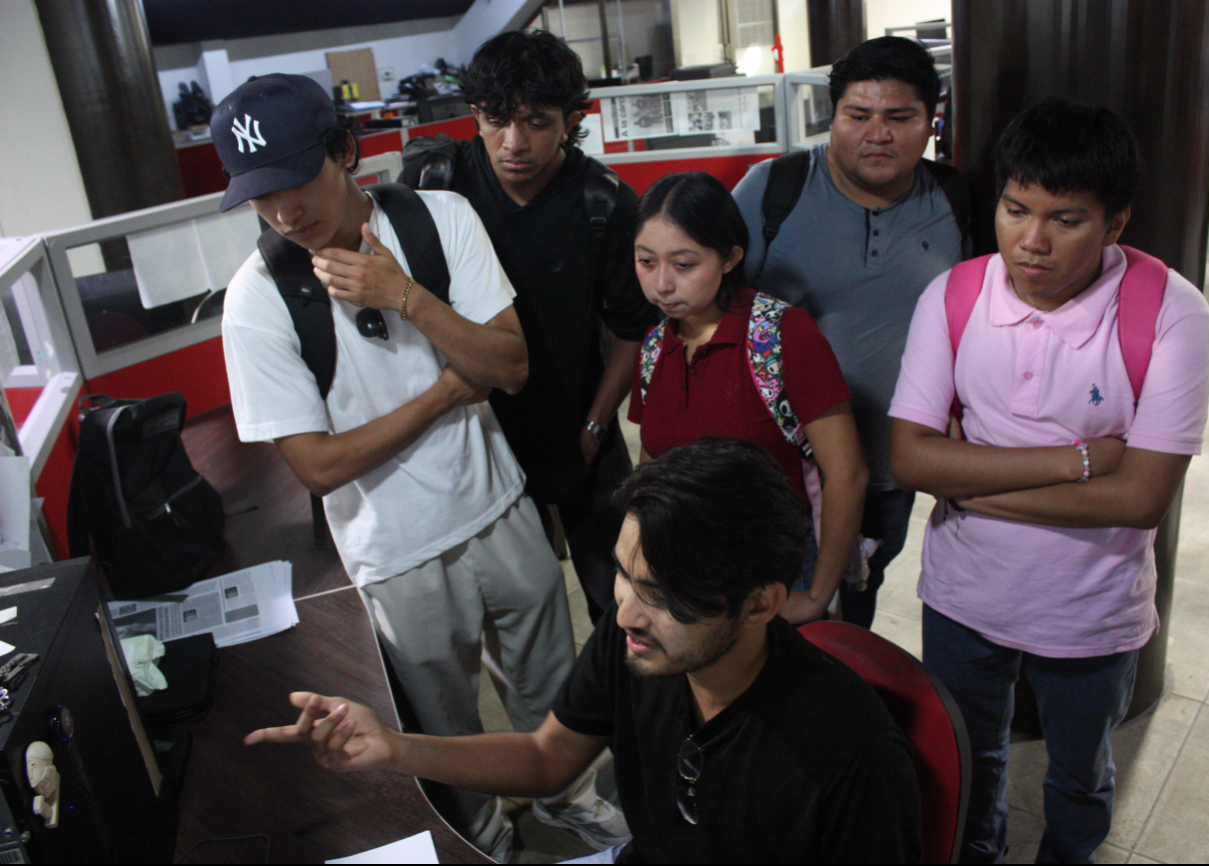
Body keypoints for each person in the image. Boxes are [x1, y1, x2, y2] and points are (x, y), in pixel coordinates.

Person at [212, 74, 623, 861]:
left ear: (344, 151)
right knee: (440, 725)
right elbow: (319, 466)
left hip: (499, 506)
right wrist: (442, 393)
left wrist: (404, 296)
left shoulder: (440, 220)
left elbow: (507, 364)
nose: (283, 211)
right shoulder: (259, 300)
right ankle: (482, 837)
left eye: (296, 181)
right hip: (393, 552)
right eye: (260, 197)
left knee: (552, 685)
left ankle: (572, 802)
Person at [246, 438, 923, 864]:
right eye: (624, 575)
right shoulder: (638, 646)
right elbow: (546, 758)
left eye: (659, 595)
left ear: (760, 604)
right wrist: (396, 748)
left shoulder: (847, 756)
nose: (623, 610)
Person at [888, 98, 1209, 863]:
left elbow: (1138, 501)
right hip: (963, 595)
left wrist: (967, 480)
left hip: (1090, 607)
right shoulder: (955, 295)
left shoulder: (1169, 315)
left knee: (1079, 775)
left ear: (1115, 224)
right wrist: (1076, 460)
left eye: (1064, 220)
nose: (1029, 242)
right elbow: (909, 458)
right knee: (970, 761)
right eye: (1013, 209)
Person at [405, 30, 660, 626]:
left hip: (575, 424)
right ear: (475, 115)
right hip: (471, 433)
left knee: (624, 599)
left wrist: (597, 426)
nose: (513, 142)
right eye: (496, 120)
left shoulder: (606, 203)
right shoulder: (434, 185)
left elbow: (630, 330)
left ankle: (626, 713)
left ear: (573, 119)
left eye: (537, 122)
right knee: (507, 610)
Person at [732, 36, 967, 629]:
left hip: (892, 462)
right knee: (764, 602)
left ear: (931, 121)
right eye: (858, 116)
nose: (877, 134)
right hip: (780, 463)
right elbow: (716, 312)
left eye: (900, 118)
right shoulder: (771, 191)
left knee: (857, 596)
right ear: (832, 116)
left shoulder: (957, 200)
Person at [628, 172, 869, 626]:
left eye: (683, 265)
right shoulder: (655, 344)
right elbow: (651, 460)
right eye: (646, 262)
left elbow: (848, 473)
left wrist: (818, 595)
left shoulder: (782, 336)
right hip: (685, 573)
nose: (661, 285)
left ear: (730, 257)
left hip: (771, 575)